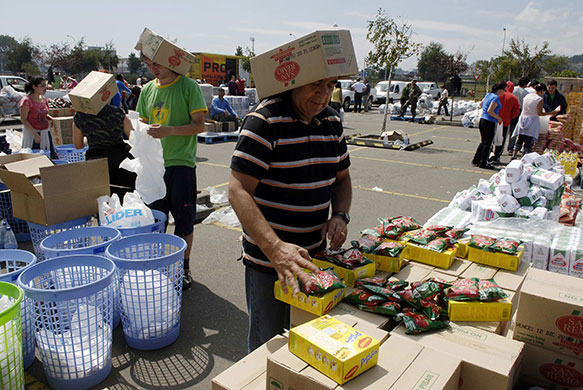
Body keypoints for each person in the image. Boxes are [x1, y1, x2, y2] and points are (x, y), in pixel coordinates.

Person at [229, 76, 352, 352]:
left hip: (313, 259)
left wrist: (340, 215)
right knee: (268, 348)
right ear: (294, 82)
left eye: (330, 85)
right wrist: (276, 249)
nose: (323, 94)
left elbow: (343, 178)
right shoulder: (265, 121)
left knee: (306, 345)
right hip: (268, 263)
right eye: (315, 84)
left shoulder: (332, 122)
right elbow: (238, 191)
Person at [136, 52, 208, 291]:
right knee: (157, 221)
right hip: (153, 167)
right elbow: (141, 123)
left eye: (157, 62)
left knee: (184, 220)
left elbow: (199, 125)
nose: (153, 68)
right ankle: (159, 267)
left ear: (171, 60)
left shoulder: (188, 86)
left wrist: (169, 131)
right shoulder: (147, 90)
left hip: (181, 164)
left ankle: (184, 267)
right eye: (148, 64)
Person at [72, 95, 136, 198]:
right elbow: (134, 138)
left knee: (102, 199)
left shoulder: (79, 117)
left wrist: (89, 137)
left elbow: (78, 145)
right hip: (120, 159)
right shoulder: (118, 112)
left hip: (96, 161)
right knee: (125, 197)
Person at [512, 83, 560, 159]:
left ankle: (514, 155)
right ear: (542, 91)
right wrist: (551, 113)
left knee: (520, 139)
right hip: (532, 120)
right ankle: (523, 157)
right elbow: (539, 113)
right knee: (528, 141)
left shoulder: (527, 96)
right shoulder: (539, 99)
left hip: (523, 118)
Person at [18, 76, 58, 159]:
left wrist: (52, 119)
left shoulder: (44, 100)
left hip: (45, 133)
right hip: (33, 134)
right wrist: (35, 134)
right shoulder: (26, 101)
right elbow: (24, 119)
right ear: (34, 87)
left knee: (51, 156)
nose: (45, 88)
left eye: (45, 86)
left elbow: (43, 114)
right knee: (35, 157)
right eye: (42, 86)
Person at [472, 82, 506, 170]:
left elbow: (481, 104)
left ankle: (476, 159)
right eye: (504, 90)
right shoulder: (495, 98)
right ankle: (483, 162)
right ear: (500, 90)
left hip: (483, 120)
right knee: (488, 143)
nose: (504, 92)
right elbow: (490, 110)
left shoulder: (488, 95)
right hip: (489, 121)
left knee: (484, 142)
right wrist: (498, 117)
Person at [490, 81, 520, 164]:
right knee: (501, 141)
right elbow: (516, 111)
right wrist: (510, 118)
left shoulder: (496, 95)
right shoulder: (513, 98)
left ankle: (489, 154)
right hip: (505, 122)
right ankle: (497, 157)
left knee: (491, 139)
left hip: (492, 120)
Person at [507, 77, 530, 154]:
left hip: (509, 109)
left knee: (506, 129)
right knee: (514, 130)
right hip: (518, 110)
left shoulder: (513, 89)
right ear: (526, 84)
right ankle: (510, 147)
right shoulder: (525, 93)